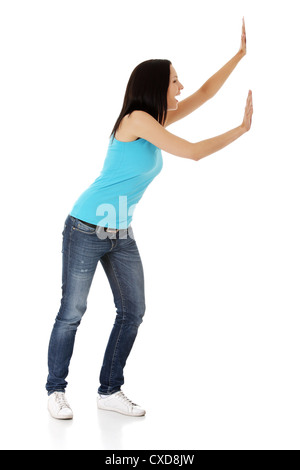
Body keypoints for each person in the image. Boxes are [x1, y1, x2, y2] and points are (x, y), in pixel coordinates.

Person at [46, 18, 253, 420]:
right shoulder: (138, 120)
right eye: (175, 81)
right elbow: (192, 152)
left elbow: (207, 93)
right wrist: (242, 129)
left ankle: (109, 390)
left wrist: (240, 54)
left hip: (120, 233)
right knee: (73, 311)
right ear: (156, 86)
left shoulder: (154, 122)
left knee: (133, 310)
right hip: (85, 228)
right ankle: (55, 391)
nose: (181, 87)